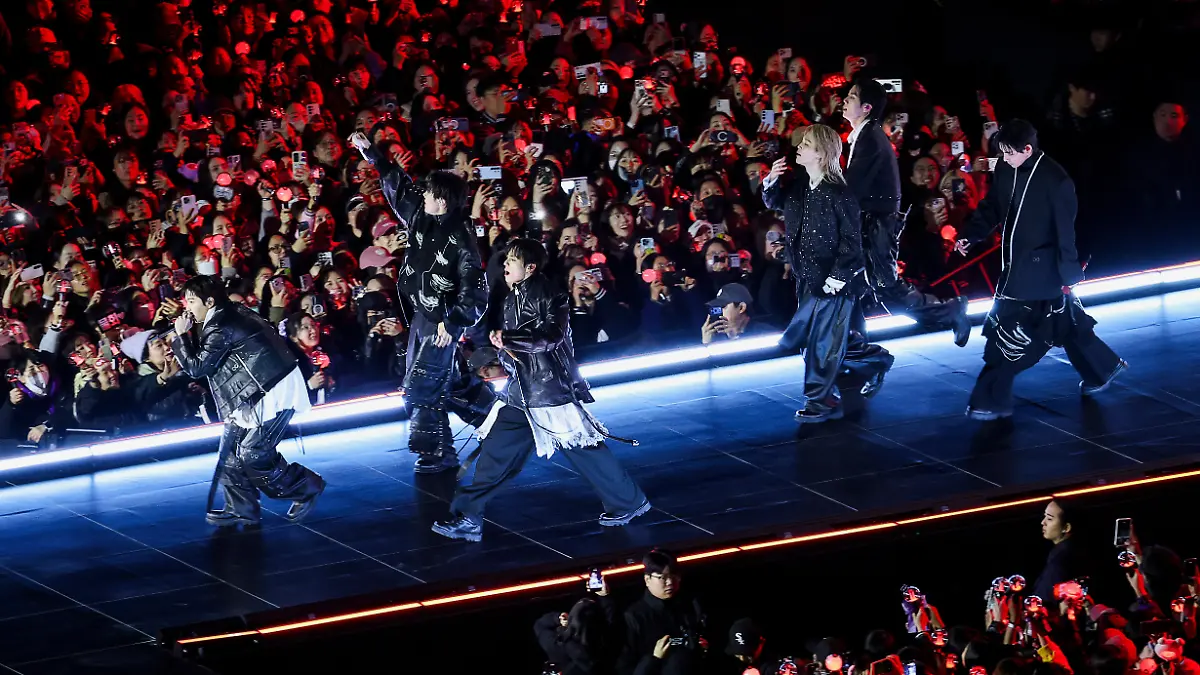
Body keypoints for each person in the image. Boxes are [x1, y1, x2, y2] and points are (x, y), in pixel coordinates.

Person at [431, 239, 650, 542]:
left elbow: (551, 336)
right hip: (521, 391)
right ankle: (468, 516)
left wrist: (509, 339)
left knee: (583, 449)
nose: (505, 264)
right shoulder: (511, 298)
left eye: (512, 260)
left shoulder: (549, 294)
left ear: (530, 267)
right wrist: (505, 345)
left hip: (549, 391)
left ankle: (628, 501)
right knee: (497, 453)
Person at [955, 120, 1127, 420]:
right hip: (1016, 262)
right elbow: (994, 205)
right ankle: (1101, 368)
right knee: (1062, 321)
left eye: (1010, 152)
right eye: (1002, 152)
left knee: (1009, 329)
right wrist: (972, 233)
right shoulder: (1007, 168)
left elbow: (1066, 234)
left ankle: (991, 399)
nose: (1005, 158)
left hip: (1040, 271)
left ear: (1028, 149)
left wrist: (1069, 277)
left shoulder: (1056, 181)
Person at [351, 131, 494, 474]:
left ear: (442, 201)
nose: (423, 195)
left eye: (429, 193)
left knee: (422, 386)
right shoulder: (420, 217)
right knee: (453, 381)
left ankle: (438, 452)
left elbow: (475, 289)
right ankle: (500, 421)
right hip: (421, 314)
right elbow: (398, 187)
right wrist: (372, 154)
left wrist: (454, 322)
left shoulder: (461, 239)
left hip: (442, 321)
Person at [171, 276, 325, 526]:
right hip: (252, 388)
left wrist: (181, 337)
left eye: (191, 301)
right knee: (231, 451)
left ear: (209, 301)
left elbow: (197, 367)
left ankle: (307, 486)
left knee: (254, 453)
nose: (187, 307)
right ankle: (241, 508)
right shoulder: (226, 314)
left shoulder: (220, 325)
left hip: (270, 387)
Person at [761, 124, 886, 423]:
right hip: (807, 277)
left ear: (820, 153)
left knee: (822, 343)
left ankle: (820, 402)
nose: (799, 148)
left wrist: (837, 277)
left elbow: (852, 243)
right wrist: (770, 181)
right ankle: (875, 359)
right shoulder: (800, 187)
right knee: (818, 341)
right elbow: (774, 202)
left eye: (806, 144)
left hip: (833, 282)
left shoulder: (838, 194)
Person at [842, 78, 971, 351]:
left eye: (851, 97)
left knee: (888, 291)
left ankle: (949, 311)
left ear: (866, 107)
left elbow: (853, 188)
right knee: (852, 289)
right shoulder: (866, 137)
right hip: (870, 227)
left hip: (875, 228)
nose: (844, 100)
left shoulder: (870, 139)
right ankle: (857, 354)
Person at [617, 548, 707, 675]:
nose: (670, 582)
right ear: (647, 580)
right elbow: (625, 667)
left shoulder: (690, 604)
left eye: (674, 576)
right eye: (662, 577)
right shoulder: (634, 617)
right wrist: (654, 659)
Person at [1032, 499, 1087, 603]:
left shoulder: (1062, 558)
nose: (1042, 522)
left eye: (1049, 518)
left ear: (1066, 527)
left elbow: (1045, 598)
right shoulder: (1062, 552)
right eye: (1044, 517)